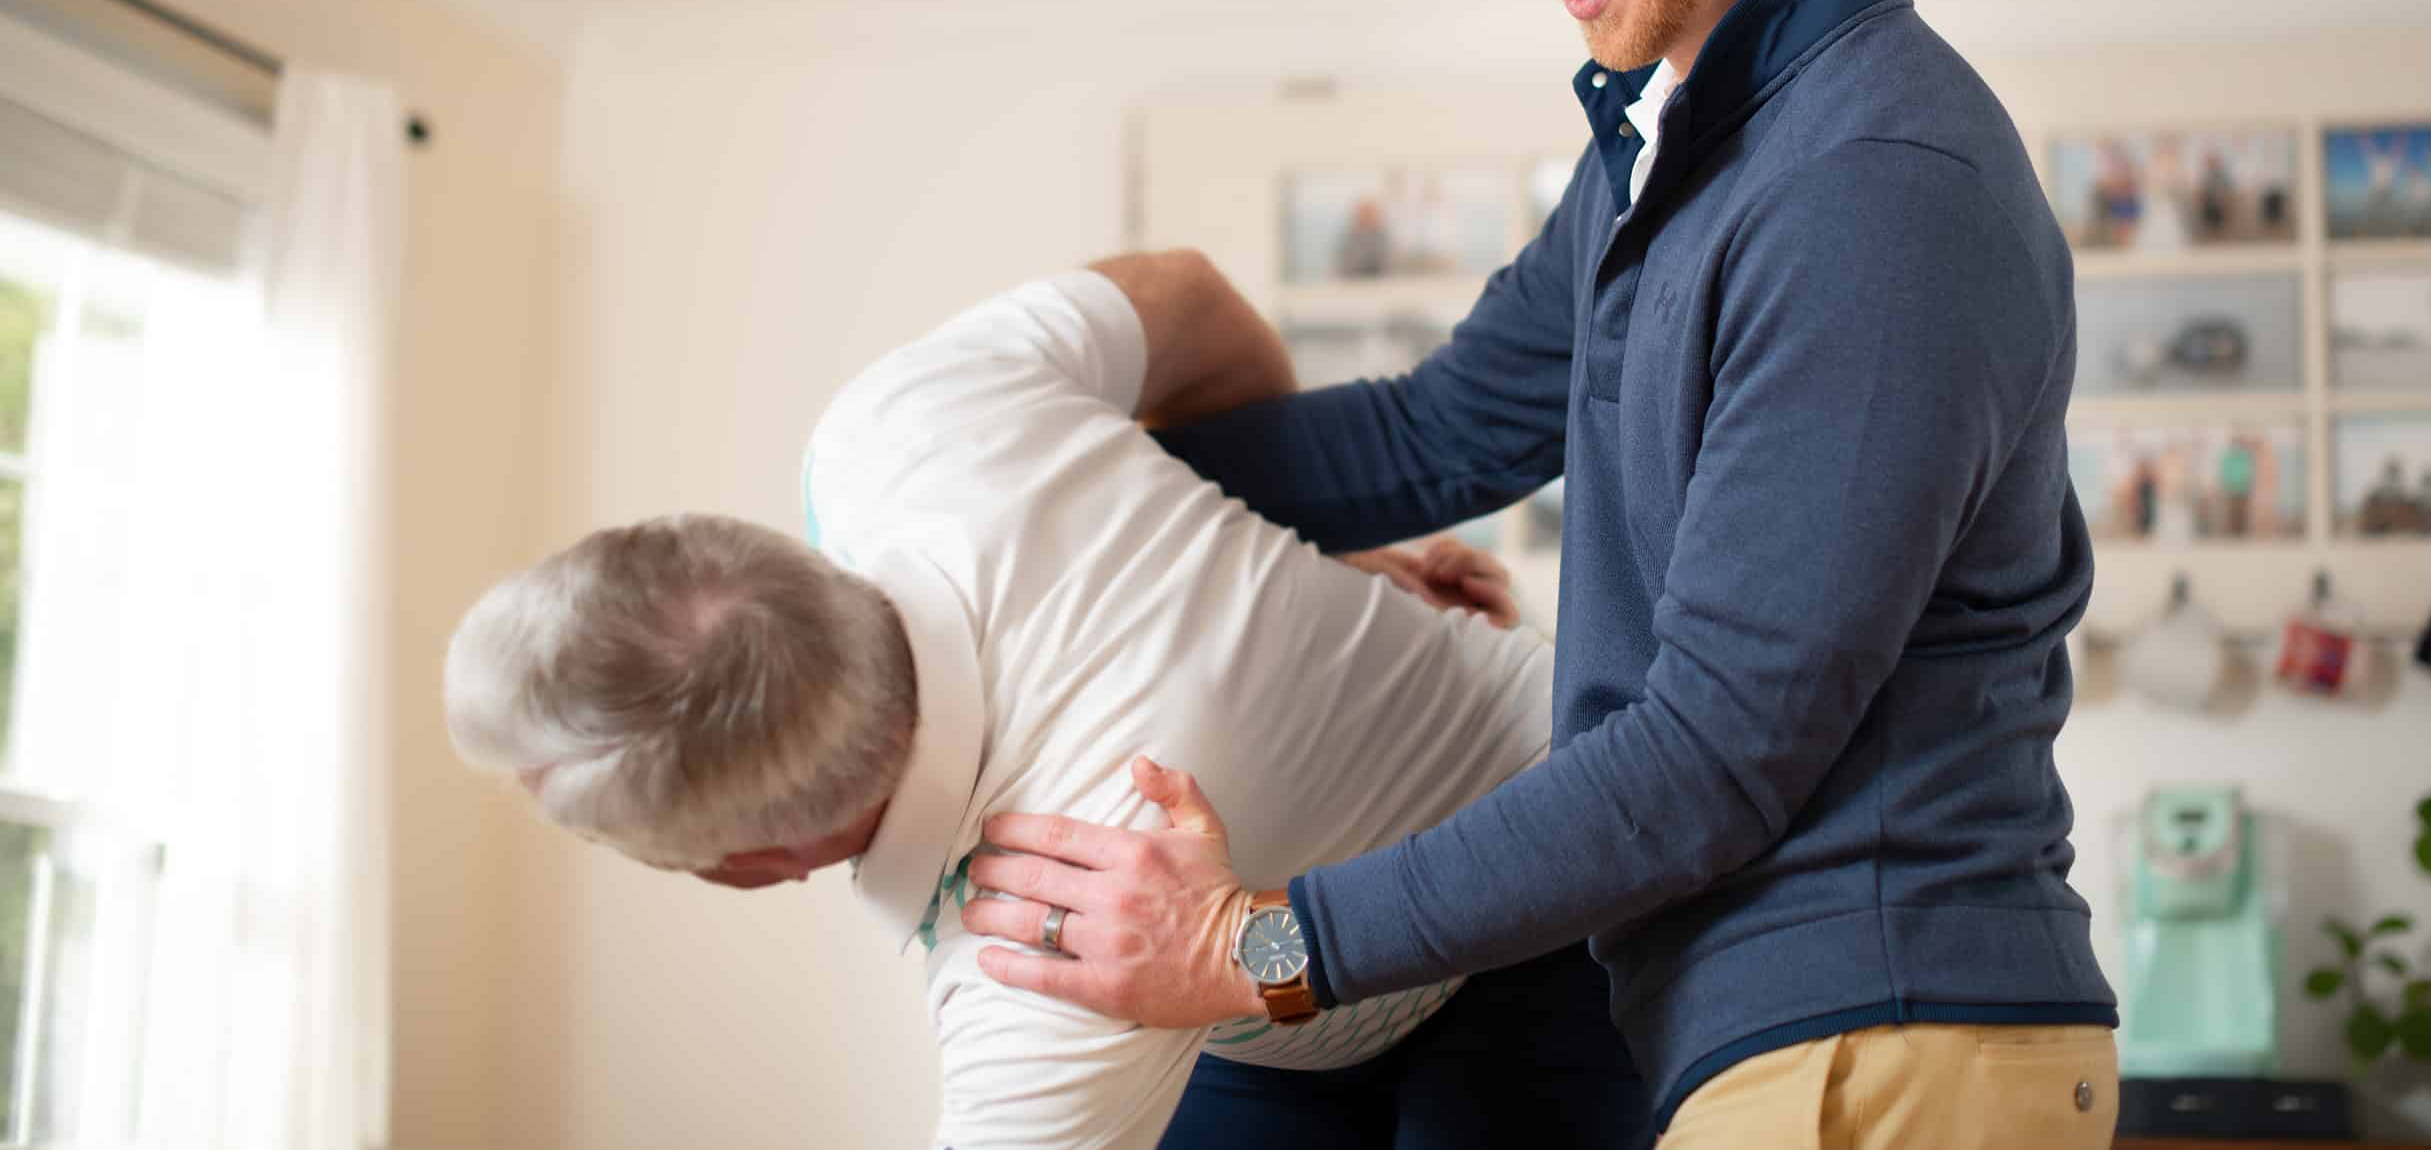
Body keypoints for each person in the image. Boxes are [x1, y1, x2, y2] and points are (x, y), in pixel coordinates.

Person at [963, 0, 2120, 1149]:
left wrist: (1253, 945)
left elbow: (1708, 757)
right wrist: (1049, 482)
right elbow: (1430, 436)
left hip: (1880, 1047)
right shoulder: (1682, 156)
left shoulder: (1870, 187)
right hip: (1782, 1045)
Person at [444, 250, 1647, 1150]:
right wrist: (1293, 545)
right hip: (1257, 1012)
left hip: (1554, 891)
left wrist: (1273, 548)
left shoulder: (1038, 984)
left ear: (746, 861)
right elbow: (1185, 297)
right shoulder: (902, 427)